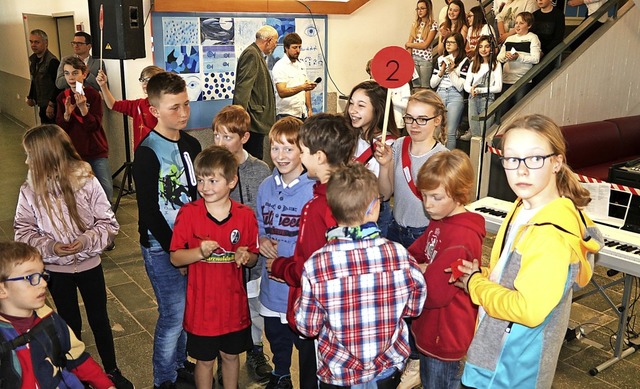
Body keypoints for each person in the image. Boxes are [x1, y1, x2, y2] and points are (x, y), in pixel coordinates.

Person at [454, 114, 603, 388]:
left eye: (535, 159)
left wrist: (476, 284)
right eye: (511, 159)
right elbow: (517, 275)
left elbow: (528, 309)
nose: (521, 170)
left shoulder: (551, 234)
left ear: (557, 162)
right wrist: (484, 274)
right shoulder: (524, 206)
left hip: (509, 371)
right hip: (496, 352)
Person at [13, 124, 133, 388]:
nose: (26, 161)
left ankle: (111, 370)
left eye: (29, 155)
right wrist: (51, 247)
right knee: (68, 324)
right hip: (57, 270)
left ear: (47, 155)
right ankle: (74, 372)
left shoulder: (86, 181)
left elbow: (108, 223)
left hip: (90, 265)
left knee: (100, 318)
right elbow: (22, 231)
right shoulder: (30, 191)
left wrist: (86, 241)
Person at [295, 162, 427, 388]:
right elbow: (414, 307)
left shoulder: (317, 264)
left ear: (333, 209)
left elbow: (308, 326)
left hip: (339, 374)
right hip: (386, 372)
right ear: (374, 207)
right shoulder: (398, 255)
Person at [269, 113, 358, 389]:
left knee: (313, 378)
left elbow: (309, 268)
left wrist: (280, 268)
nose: (302, 156)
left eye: (303, 151)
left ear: (319, 156)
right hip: (345, 312)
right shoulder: (353, 192)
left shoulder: (318, 206)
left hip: (321, 318)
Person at [374, 89, 448, 389]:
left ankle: (417, 360)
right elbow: (385, 192)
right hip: (396, 228)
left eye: (422, 119)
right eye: (409, 118)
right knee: (397, 298)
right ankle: (401, 351)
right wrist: (384, 165)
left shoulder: (442, 157)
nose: (414, 125)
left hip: (424, 234)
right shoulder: (400, 145)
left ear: (438, 121)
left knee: (420, 301)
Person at [132, 72, 202, 389]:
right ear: (155, 110)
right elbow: (149, 210)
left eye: (186, 104)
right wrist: (176, 250)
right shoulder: (147, 152)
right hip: (162, 246)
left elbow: (199, 195)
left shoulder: (192, 143)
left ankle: (179, 364)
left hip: (189, 242)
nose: (184, 113)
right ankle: (163, 378)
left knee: (187, 310)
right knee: (172, 314)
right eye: (175, 107)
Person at [170, 145, 259, 389]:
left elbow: (253, 257)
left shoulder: (245, 216)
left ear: (232, 181)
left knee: (231, 357)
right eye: (200, 180)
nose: (204, 187)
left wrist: (245, 255)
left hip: (233, 307)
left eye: (212, 180)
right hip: (202, 309)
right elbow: (176, 258)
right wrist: (199, 252)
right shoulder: (189, 213)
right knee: (205, 361)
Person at [407, 150, 485, 389]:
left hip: (446, 336)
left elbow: (434, 293)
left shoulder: (462, 236)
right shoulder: (441, 218)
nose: (428, 205)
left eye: (436, 197)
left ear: (459, 194)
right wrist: (423, 267)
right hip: (432, 329)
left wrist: (423, 270)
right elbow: (413, 253)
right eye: (424, 196)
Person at [0, 241, 117, 389]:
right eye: (30, 277)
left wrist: (106, 385)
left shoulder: (49, 319)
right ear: (2, 289)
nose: (43, 283)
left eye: (43, 275)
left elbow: (77, 358)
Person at [212, 104, 272, 383]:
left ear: (244, 137)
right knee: (225, 306)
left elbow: (264, 212)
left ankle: (256, 349)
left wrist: (256, 245)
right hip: (221, 256)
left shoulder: (260, 169)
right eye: (216, 136)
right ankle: (227, 355)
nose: (220, 143)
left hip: (252, 256)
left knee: (254, 306)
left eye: (227, 137)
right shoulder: (211, 165)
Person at [257, 117, 315, 389]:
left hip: (297, 283)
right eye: (274, 148)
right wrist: (261, 239)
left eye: (288, 149)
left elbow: (313, 238)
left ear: (303, 151)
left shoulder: (313, 190)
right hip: (271, 282)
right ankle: (281, 373)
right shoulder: (265, 187)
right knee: (275, 333)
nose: (280, 156)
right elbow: (259, 223)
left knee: (302, 340)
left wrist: (288, 258)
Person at [345, 80, 400, 237]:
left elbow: (385, 194)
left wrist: (385, 165)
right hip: (347, 211)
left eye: (361, 106)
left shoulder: (389, 145)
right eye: (351, 104)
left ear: (378, 110)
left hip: (373, 216)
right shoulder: (350, 137)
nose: (353, 111)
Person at [55, 56, 114, 204]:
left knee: (105, 188)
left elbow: (94, 126)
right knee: (77, 191)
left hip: (96, 150)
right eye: (67, 73)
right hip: (74, 152)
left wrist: (84, 110)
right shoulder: (63, 97)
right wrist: (66, 115)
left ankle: (105, 219)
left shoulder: (93, 95)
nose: (71, 77)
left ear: (84, 74)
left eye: (75, 73)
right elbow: (60, 129)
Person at [233, 25, 278, 163]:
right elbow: (243, 89)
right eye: (275, 42)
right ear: (268, 40)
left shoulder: (256, 54)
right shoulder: (252, 54)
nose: (275, 46)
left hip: (256, 121)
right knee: (253, 161)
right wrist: (239, 120)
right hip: (252, 123)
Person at [96, 66, 164, 150]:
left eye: (149, 80)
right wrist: (103, 85)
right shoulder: (138, 105)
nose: (145, 84)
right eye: (143, 80)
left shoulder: (165, 105)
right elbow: (113, 105)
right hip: (141, 153)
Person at [431, 32, 470, 150]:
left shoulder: (464, 61)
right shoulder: (440, 60)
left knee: (450, 132)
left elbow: (460, 87)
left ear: (458, 44)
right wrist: (441, 71)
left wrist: (452, 71)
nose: (448, 45)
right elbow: (432, 83)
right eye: (447, 42)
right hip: (440, 93)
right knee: (436, 128)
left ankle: (449, 160)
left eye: (452, 42)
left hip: (455, 95)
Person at [497, 12, 541, 115]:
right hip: (506, 79)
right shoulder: (509, 39)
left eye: (521, 23)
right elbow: (499, 57)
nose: (517, 25)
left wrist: (518, 57)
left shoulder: (533, 38)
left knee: (518, 111)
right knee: (502, 111)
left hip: (522, 80)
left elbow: (535, 59)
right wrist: (505, 56)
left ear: (529, 25)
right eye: (516, 23)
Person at [463, 35, 503, 140]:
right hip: (473, 98)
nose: (483, 49)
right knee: (475, 132)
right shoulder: (474, 64)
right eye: (480, 46)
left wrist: (480, 90)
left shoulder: (496, 64)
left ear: (491, 48)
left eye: (486, 46)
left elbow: (498, 87)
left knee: (484, 132)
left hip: (488, 99)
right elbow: (467, 84)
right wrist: (471, 89)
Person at [272, 32, 318, 121]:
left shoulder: (301, 65)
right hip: (286, 114)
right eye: (294, 47)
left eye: (299, 47)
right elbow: (282, 92)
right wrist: (302, 87)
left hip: (302, 113)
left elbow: (306, 89)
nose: (298, 51)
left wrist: (309, 108)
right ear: (286, 48)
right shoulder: (280, 66)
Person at [26, 29, 60, 125]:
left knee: (52, 133)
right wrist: (30, 96)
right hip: (42, 104)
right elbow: (34, 80)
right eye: (31, 42)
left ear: (46, 43)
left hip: (51, 106)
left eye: (37, 42)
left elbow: (58, 86)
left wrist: (51, 104)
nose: (33, 45)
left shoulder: (52, 61)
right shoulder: (34, 60)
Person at [365, 60, 410, 129]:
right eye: (373, 71)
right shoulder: (367, 85)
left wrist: (390, 99)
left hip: (395, 123)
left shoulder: (402, 84)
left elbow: (406, 105)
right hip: (375, 123)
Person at [405, 0, 438, 90]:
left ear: (428, 9)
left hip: (425, 60)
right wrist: (409, 56)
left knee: (424, 87)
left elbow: (425, 45)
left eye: (422, 8)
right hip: (414, 58)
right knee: (415, 87)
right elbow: (409, 45)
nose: (419, 11)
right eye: (418, 9)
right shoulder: (415, 24)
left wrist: (410, 44)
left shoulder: (433, 25)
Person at [532, 0, 565, 85]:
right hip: (534, 52)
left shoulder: (558, 15)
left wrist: (544, 51)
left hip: (549, 53)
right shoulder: (534, 15)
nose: (539, 0)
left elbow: (558, 38)